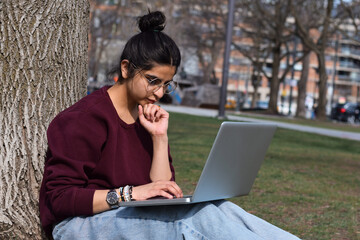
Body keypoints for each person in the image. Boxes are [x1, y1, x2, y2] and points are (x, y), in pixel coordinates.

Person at [39, 11, 300, 240]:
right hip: (79, 225)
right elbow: (60, 199)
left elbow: (163, 189)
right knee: (193, 221)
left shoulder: (146, 116)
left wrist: (159, 138)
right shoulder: (84, 118)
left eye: (166, 84)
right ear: (127, 69)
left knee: (220, 209)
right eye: (153, 80)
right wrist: (131, 194)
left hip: (128, 216)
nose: (159, 92)